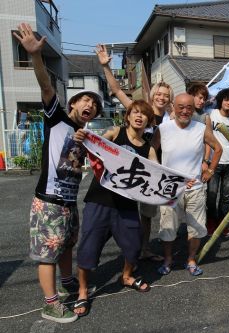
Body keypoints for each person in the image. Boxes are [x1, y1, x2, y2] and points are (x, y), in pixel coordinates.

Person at [14, 23, 102, 323]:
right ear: (73, 103)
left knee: (66, 246)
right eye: (85, 100)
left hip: (68, 202)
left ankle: (65, 286)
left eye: (94, 105)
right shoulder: (57, 118)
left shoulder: (86, 135)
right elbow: (46, 86)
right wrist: (36, 57)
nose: (89, 105)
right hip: (49, 200)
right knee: (47, 253)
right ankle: (50, 303)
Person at [74, 100, 157, 317]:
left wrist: (178, 184)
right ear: (128, 116)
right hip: (99, 200)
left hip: (127, 206)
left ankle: (127, 276)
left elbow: (159, 174)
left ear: (149, 121)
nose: (139, 116)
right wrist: (84, 139)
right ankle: (82, 291)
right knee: (88, 249)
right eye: (135, 112)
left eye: (144, 114)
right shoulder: (115, 131)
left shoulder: (148, 148)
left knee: (134, 245)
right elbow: (96, 143)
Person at [96, 44, 173, 262]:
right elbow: (118, 91)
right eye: (158, 93)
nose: (161, 97)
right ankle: (119, 251)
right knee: (119, 212)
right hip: (126, 170)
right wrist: (106, 68)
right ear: (152, 94)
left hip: (151, 172)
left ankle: (144, 248)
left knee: (147, 215)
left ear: (169, 99)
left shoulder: (170, 119)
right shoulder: (139, 110)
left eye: (165, 95)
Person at [152, 93, 222, 276]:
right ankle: (168, 260)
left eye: (189, 107)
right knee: (168, 227)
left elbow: (218, 148)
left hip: (195, 187)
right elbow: (152, 150)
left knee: (197, 227)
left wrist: (210, 170)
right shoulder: (163, 128)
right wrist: (158, 172)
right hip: (170, 188)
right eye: (181, 107)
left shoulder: (200, 128)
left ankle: (191, 259)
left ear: (193, 109)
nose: (185, 111)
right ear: (173, 107)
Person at [205, 88, 229, 236]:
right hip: (214, 162)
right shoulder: (211, 115)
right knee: (212, 194)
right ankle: (211, 223)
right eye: (226, 99)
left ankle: (222, 225)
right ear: (220, 100)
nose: (228, 103)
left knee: (226, 197)